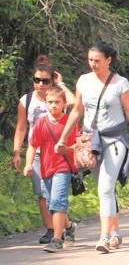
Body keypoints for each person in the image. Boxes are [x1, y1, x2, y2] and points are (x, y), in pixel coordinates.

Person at [57, 41, 129, 254]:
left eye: (97, 60)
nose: (93, 64)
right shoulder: (83, 81)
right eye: (90, 60)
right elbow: (77, 110)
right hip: (91, 141)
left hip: (114, 139)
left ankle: (104, 237)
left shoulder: (120, 83)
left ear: (109, 60)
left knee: (106, 188)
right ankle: (116, 231)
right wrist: (63, 138)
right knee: (104, 189)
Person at [12, 55, 75, 245]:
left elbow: (73, 103)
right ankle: (55, 228)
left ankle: (59, 232)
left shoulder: (57, 97)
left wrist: (61, 84)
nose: (40, 84)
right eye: (36, 80)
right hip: (37, 153)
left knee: (55, 198)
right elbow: (22, 127)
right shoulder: (27, 100)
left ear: (51, 80)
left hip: (58, 154)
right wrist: (17, 152)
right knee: (43, 194)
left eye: (45, 80)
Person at [23, 86, 79, 252]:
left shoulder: (70, 121)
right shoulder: (41, 122)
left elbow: (79, 144)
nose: (53, 105)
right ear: (45, 104)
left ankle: (57, 239)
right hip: (45, 168)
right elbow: (32, 146)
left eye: (57, 102)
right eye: (50, 102)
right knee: (51, 204)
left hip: (64, 167)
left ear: (64, 104)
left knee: (57, 201)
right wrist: (28, 164)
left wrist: (67, 150)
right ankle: (69, 227)